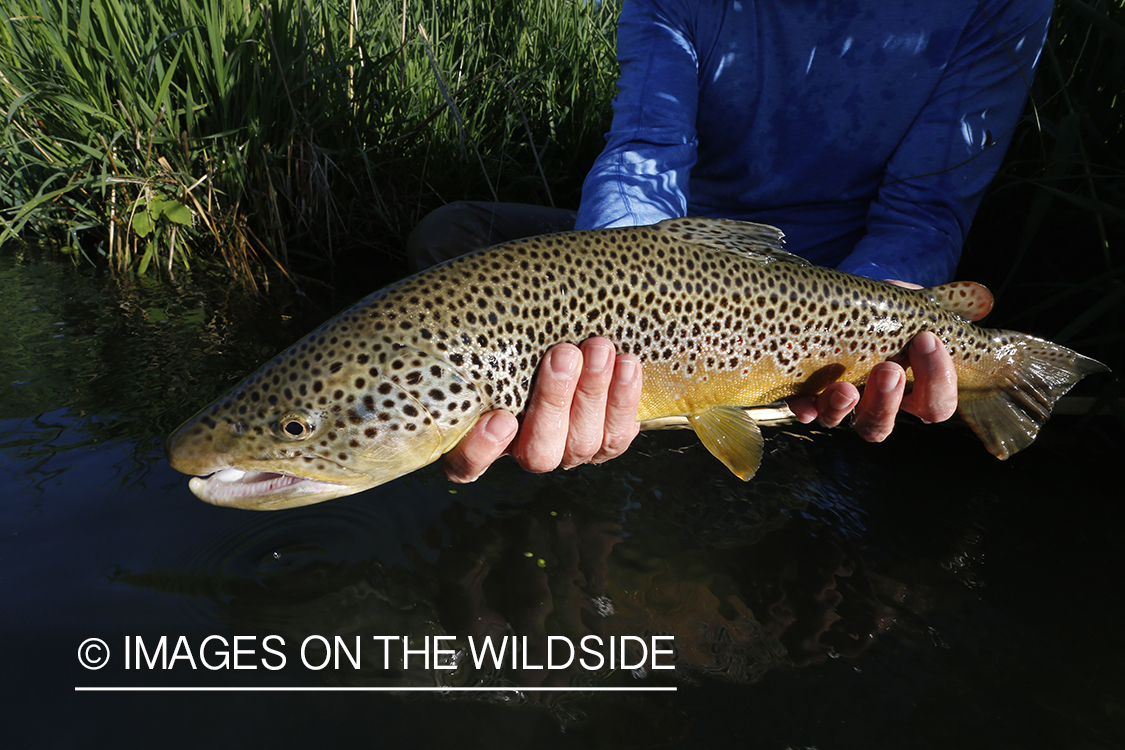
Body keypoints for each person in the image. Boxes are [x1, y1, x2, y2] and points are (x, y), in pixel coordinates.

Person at [423, 0, 1053, 483]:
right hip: (675, 263)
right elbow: (645, 153)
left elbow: (923, 209)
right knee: (450, 235)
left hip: (839, 284)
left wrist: (879, 321)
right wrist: (608, 313)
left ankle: (776, 426)